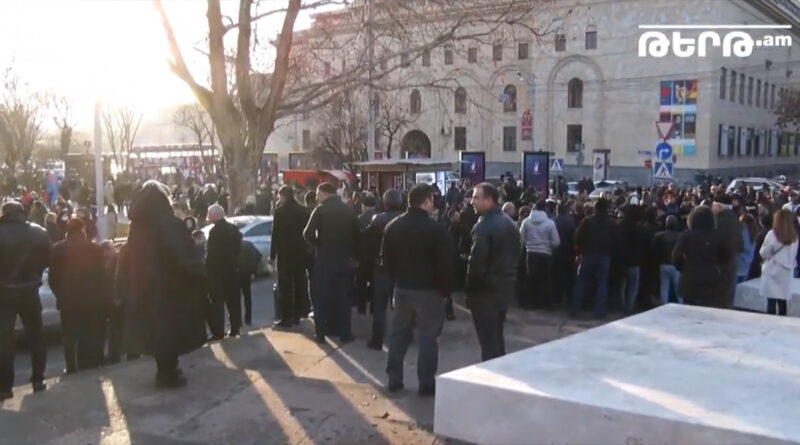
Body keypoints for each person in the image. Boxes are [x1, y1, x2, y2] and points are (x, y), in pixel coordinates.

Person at [115, 181, 207, 388]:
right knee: (169, 331)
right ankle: (169, 372)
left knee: (156, 332)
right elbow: (184, 254)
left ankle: (163, 370)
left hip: (143, 287)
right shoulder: (170, 224)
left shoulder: (137, 226)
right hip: (169, 288)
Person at [382, 184, 453, 395]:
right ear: (427, 200)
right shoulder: (436, 229)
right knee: (428, 337)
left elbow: (386, 261)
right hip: (429, 291)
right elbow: (445, 264)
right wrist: (445, 292)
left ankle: (394, 379)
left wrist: (396, 281)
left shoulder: (393, 226)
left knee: (398, 335)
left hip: (402, 288)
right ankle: (426, 383)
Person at [0, 201, 51, 400]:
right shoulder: (39, 232)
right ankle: (38, 379)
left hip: (5, 293)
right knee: (37, 336)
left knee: (5, 341)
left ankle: (5, 387)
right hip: (30, 290)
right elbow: (48, 260)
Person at [466, 183, 520, 362]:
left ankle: (492, 372)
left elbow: (476, 264)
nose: (472, 201)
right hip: (504, 288)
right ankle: (500, 366)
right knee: (496, 335)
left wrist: (470, 292)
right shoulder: (510, 223)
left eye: (476, 198)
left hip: (485, 291)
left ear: (489, 200)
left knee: (488, 340)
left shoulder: (484, 227)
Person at [303, 182, 359, 343]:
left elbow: (307, 233)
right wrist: (355, 257)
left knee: (321, 298)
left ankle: (320, 333)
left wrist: (317, 245)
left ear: (325, 194)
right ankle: (344, 334)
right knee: (344, 299)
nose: (317, 198)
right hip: (344, 259)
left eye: (318, 194)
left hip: (324, 259)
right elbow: (357, 235)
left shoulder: (320, 210)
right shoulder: (348, 210)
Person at [49, 218, 107, 373]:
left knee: (68, 333)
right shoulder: (94, 248)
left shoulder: (58, 249)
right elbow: (102, 275)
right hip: (90, 298)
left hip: (67, 299)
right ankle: (85, 363)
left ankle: (70, 365)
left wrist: (59, 294)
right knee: (87, 331)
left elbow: (53, 278)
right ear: (82, 229)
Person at [364, 189, 404, 350]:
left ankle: (377, 339)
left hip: (381, 267)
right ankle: (403, 338)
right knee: (402, 307)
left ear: (385, 203)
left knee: (379, 306)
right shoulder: (404, 220)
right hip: (401, 269)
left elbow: (367, 241)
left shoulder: (377, 220)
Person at [673, 206, 732, 308]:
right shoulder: (718, 235)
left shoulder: (687, 235)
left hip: (690, 279)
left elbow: (676, 256)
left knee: (689, 310)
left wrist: (683, 268)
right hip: (711, 279)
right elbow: (726, 257)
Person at [270, 185, 311, 328]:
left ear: (283, 196)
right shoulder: (303, 210)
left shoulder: (279, 212)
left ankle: (286, 317)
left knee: (285, 286)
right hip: (300, 253)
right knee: (299, 284)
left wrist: (272, 255)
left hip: (285, 254)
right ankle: (297, 315)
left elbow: (275, 234)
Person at [570, 199, 614, 320]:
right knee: (602, 283)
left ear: (595, 208)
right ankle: (599, 311)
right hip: (604, 256)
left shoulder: (587, 221)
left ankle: (575, 309)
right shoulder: (611, 223)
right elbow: (615, 240)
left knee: (581, 283)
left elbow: (577, 237)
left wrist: (582, 248)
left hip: (588, 255)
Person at [206, 204, 243, 339]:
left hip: (217, 272)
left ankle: (218, 332)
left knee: (217, 303)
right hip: (232, 270)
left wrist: (207, 269)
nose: (209, 218)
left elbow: (211, 253)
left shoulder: (214, 232)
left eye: (210, 215)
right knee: (234, 301)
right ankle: (235, 328)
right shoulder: (233, 229)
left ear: (215, 216)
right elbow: (238, 248)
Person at [520, 199, 560, 309]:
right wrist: (548, 246)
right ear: (545, 209)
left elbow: (522, 238)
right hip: (545, 253)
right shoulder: (550, 223)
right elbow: (556, 241)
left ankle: (531, 302)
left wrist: (528, 245)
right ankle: (544, 303)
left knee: (531, 278)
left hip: (531, 253)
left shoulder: (526, 222)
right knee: (545, 279)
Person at [759, 209, 799, 316]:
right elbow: (794, 254)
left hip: (772, 268)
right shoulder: (795, 236)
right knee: (782, 301)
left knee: (771, 301)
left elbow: (763, 253)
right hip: (786, 271)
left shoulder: (772, 234)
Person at [712, 197, 743, 307]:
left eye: (714, 205)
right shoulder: (737, 221)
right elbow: (741, 243)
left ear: (719, 206)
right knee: (729, 292)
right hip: (733, 259)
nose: (712, 208)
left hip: (719, 261)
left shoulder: (716, 222)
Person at [653, 215, 683, 305]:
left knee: (664, 287)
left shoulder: (659, 236)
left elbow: (655, 250)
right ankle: (681, 305)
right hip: (677, 266)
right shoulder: (681, 236)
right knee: (678, 288)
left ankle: (664, 305)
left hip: (663, 264)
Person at [356, 194, 378, 314]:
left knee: (361, 283)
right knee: (375, 283)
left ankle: (361, 307)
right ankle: (374, 307)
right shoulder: (379, 219)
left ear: (363, 206)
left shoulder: (358, 219)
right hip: (376, 256)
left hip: (362, 256)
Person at [553, 202, 576, 308]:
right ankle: (569, 299)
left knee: (557, 277)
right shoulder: (570, 221)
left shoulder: (553, 221)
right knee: (568, 277)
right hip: (568, 252)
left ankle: (557, 299)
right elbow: (574, 236)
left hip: (556, 252)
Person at [239, 239, 262, 326]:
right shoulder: (248, 244)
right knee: (247, 297)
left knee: (235, 298)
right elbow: (258, 256)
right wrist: (253, 269)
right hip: (246, 274)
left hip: (236, 274)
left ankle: (237, 320)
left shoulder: (231, 245)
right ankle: (248, 319)